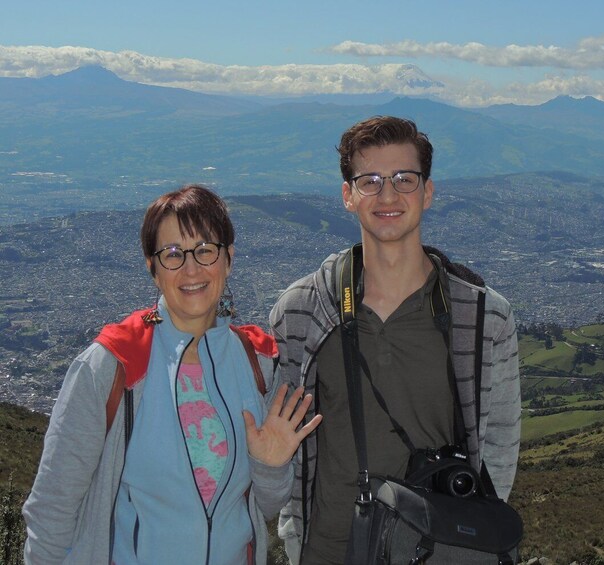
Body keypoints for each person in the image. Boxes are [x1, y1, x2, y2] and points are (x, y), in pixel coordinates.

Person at [23, 184, 322, 564]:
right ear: (152, 267)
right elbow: (51, 510)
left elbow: (262, 507)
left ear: (228, 259)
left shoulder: (258, 364)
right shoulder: (114, 366)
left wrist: (269, 464)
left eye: (205, 250)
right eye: (173, 254)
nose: (192, 268)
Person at [269, 116, 521, 564]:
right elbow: (284, 446)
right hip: (330, 550)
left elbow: (499, 450)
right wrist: (295, 539)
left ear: (427, 192)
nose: (388, 195)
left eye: (404, 179)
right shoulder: (302, 311)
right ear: (348, 195)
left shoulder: (482, 317)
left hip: (438, 551)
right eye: (370, 180)